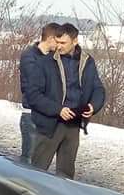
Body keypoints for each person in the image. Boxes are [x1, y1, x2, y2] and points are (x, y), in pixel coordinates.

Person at [29, 23, 105, 179]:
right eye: (57, 42)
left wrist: (93, 105)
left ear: (75, 41)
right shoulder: (45, 63)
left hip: (74, 124)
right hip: (50, 124)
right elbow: (33, 95)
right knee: (36, 172)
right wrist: (58, 110)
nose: (58, 46)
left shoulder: (87, 62)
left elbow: (98, 88)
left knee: (66, 176)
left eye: (63, 43)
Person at [19, 23, 62, 163]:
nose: (59, 45)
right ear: (50, 38)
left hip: (47, 115)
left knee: (41, 163)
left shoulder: (52, 58)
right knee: (30, 161)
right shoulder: (29, 57)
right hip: (32, 114)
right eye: (57, 40)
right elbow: (35, 87)